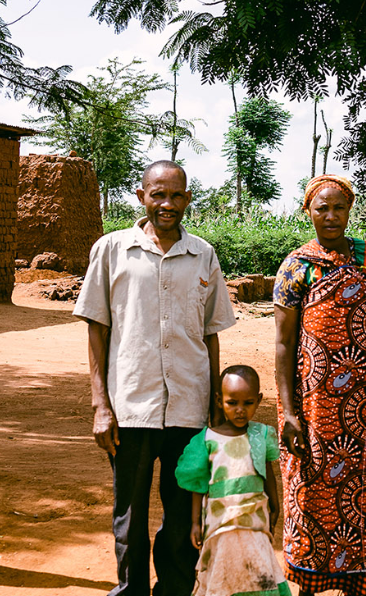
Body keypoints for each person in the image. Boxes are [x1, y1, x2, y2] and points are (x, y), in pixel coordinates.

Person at [74, 160, 236, 596]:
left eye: (177, 195)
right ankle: (131, 591)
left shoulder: (203, 254)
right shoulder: (111, 249)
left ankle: (175, 591)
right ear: (142, 195)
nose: (168, 204)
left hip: (189, 404)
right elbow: (97, 327)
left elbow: (209, 334)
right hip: (131, 404)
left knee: (183, 513)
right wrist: (100, 405)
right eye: (158, 194)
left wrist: (215, 402)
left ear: (187, 198)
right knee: (129, 514)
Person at [272, 174, 366, 596]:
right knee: (314, 487)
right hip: (316, 406)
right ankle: (312, 579)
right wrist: (289, 412)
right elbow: (284, 345)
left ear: (350, 210)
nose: (332, 216)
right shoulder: (295, 267)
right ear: (308, 212)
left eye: (339, 208)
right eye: (323, 208)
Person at [174, 365, 290, 596]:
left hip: (255, 520)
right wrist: (196, 522)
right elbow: (199, 484)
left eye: (248, 403)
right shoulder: (207, 439)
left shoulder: (261, 435)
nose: (240, 410)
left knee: (258, 568)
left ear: (258, 400)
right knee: (225, 569)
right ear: (219, 401)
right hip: (221, 523)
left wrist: (275, 506)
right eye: (232, 403)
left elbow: (267, 474)